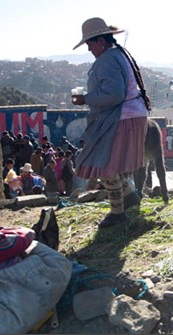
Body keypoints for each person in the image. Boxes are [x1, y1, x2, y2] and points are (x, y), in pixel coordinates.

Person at [71, 17, 148, 228]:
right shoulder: (118, 54)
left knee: (105, 164)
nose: (89, 49)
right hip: (130, 115)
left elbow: (114, 94)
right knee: (112, 163)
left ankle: (117, 213)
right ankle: (130, 196)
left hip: (121, 117)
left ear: (101, 41)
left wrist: (86, 99)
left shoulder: (106, 60)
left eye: (90, 44)